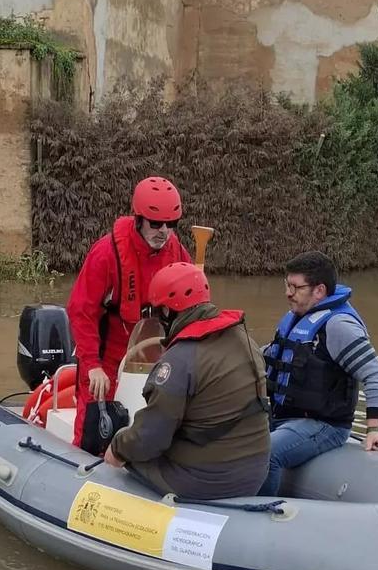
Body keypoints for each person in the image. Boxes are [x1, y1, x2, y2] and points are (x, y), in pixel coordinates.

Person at [103, 263, 270, 500]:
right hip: (254, 472)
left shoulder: (178, 361)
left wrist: (117, 447)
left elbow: (151, 437)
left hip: (206, 480)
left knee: (125, 456)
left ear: (168, 312)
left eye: (157, 311)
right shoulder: (245, 340)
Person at [66, 177, 191, 448]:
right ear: (138, 219)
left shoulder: (178, 253)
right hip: (107, 353)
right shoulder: (106, 254)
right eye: (156, 224)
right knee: (94, 423)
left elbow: (193, 310)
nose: (164, 231)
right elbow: (81, 311)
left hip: (156, 352)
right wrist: (92, 366)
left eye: (171, 224)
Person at [260, 251, 378, 495]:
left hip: (323, 425)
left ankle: (258, 514)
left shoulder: (338, 326)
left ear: (319, 291)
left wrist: (374, 430)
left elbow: (377, 374)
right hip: (282, 417)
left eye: (295, 287)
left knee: (266, 453)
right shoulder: (296, 318)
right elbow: (271, 354)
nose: (288, 293)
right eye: (287, 285)